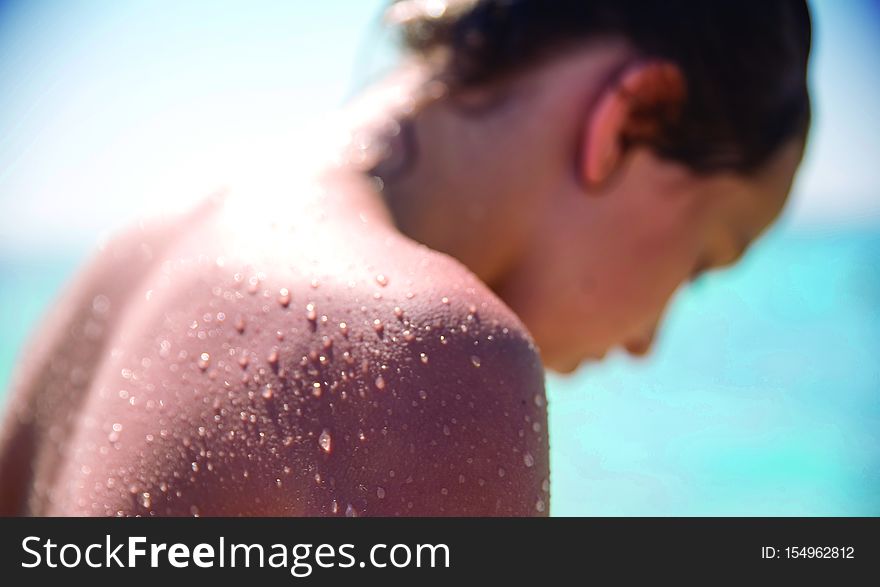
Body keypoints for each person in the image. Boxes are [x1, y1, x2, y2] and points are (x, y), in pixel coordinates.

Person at [0, 0, 811, 516]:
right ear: (634, 114)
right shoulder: (430, 357)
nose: (647, 341)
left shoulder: (124, 264)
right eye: (704, 258)